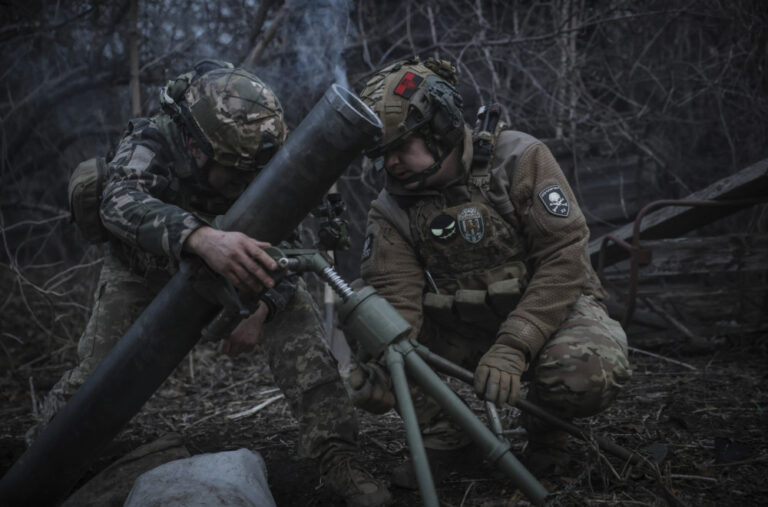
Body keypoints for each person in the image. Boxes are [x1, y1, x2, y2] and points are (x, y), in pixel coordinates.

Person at [28, 60, 391, 507]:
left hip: (240, 262)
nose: (244, 181)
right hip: (145, 270)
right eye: (233, 172)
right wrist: (201, 237)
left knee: (305, 345)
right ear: (196, 146)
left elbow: (286, 234)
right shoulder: (154, 139)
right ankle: (38, 456)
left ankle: (338, 456)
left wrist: (264, 305)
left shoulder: (258, 146)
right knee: (96, 379)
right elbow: (118, 202)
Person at [351, 56, 632, 485]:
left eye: (398, 148)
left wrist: (515, 345)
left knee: (586, 368)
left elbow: (564, 256)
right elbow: (397, 307)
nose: (388, 165)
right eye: (379, 154)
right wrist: (384, 372)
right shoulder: (390, 210)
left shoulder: (517, 159)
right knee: (366, 313)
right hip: (458, 329)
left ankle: (548, 438)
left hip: (546, 316)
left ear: (439, 128)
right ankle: (449, 442)